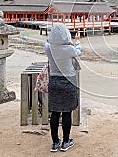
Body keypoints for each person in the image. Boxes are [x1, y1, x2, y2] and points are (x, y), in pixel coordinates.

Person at [45, 23, 82, 152]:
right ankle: (66, 141)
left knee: (55, 113)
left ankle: (55, 142)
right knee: (67, 113)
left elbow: (48, 42)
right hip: (68, 81)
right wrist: (77, 41)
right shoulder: (69, 49)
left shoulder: (48, 47)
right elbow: (79, 52)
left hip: (54, 81)